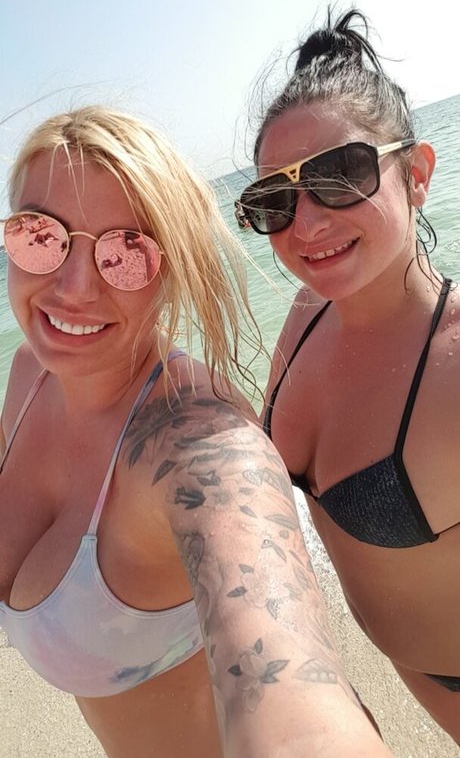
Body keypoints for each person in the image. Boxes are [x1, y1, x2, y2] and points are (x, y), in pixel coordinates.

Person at [0, 105, 392, 758]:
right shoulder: (30, 372)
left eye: (127, 250)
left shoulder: (200, 445)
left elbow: (295, 695)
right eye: (40, 235)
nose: (73, 287)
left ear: (175, 265)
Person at [236, 7, 460, 745]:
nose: (305, 224)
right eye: (274, 200)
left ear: (416, 173)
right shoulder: (307, 312)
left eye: (340, 174)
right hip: (407, 672)